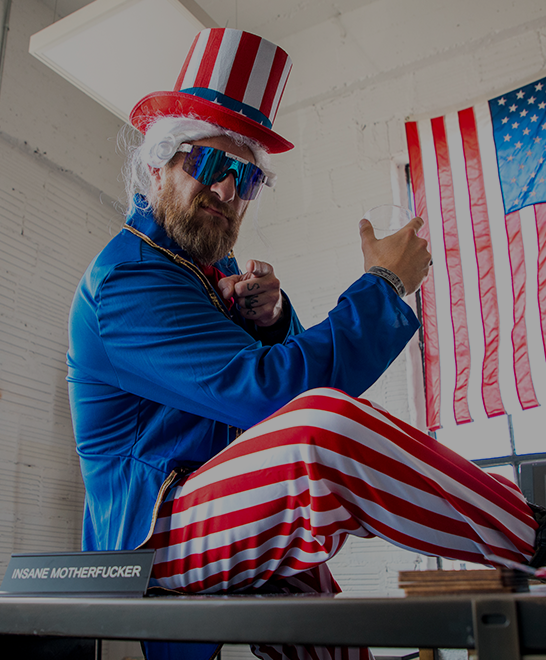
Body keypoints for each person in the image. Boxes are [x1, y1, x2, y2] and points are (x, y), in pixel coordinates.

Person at [67, 27, 544, 660]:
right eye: (207, 164)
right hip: (146, 538)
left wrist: (271, 320)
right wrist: (383, 286)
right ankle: (533, 537)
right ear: (158, 164)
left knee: (314, 605)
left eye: (245, 178)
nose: (228, 191)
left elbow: (265, 381)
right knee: (321, 433)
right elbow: (275, 396)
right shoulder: (129, 279)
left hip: (206, 501)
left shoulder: (199, 268)